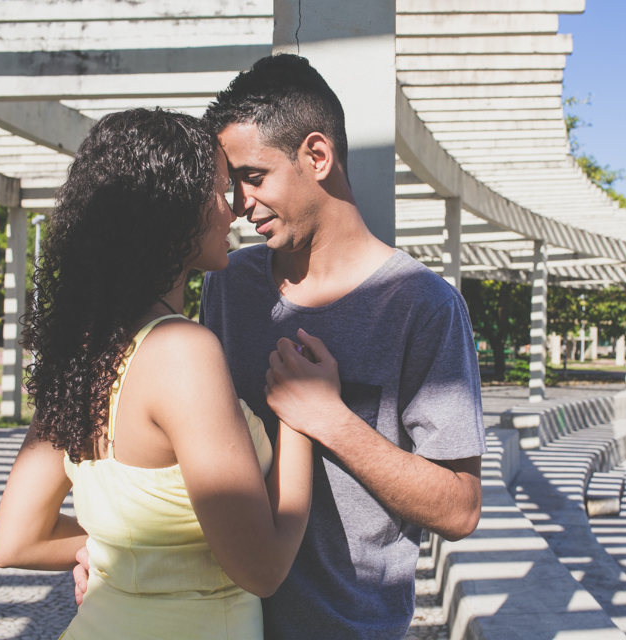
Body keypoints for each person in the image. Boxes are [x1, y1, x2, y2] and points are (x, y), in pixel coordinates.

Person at [0, 108, 318, 639]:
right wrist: (303, 416)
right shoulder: (181, 351)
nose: (234, 207)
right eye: (219, 188)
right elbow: (263, 569)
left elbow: (16, 540)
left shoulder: (85, 352)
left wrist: (122, 555)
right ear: (173, 209)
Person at [204, 54, 486, 639]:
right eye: (232, 184)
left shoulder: (424, 306)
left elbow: (460, 508)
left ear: (317, 155)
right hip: (218, 618)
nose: (239, 203)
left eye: (254, 177)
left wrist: (329, 419)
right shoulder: (227, 286)